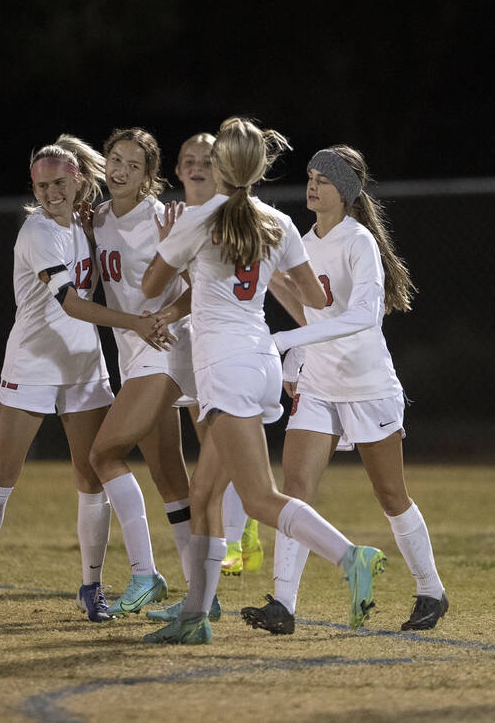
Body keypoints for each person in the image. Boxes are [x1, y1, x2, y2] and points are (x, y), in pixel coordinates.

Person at [139, 117, 387, 644]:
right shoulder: (276, 221)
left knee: (257, 499)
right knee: (205, 496)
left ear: (222, 166)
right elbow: (317, 300)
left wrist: (172, 244)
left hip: (224, 366)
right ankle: (194, 617)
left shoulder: (201, 219)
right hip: (260, 361)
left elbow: (149, 287)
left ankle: (351, 557)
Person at [0, 136, 171, 621]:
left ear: (78, 182)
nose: (50, 192)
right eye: (42, 185)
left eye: (59, 182)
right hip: (33, 363)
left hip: (84, 365)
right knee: (2, 475)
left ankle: (91, 587)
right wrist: (134, 322)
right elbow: (69, 302)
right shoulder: (37, 232)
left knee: (92, 477)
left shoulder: (88, 224)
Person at [242, 146, 447, 636]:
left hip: (366, 385)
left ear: (347, 191)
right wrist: (295, 359)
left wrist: (290, 340)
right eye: (310, 177)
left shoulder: (360, 242)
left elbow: (362, 318)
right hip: (317, 385)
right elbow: (314, 316)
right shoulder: (302, 239)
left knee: (390, 494)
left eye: (324, 180)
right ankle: (283, 605)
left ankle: (431, 590)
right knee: (294, 492)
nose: (312, 186)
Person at [86, 128, 197, 617]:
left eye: (133, 164)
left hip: (167, 347)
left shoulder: (162, 220)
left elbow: (203, 287)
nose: (121, 170)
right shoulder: (98, 218)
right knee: (169, 477)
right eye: (115, 159)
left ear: (150, 176)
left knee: (104, 452)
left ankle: (144, 574)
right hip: (133, 352)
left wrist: (165, 316)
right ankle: (201, 592)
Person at [176, 132, 265, 579]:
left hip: (219, 346)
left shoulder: (224, 217)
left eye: (207, 160)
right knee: (211, 448)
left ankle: (237, 534)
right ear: (176, 170)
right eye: (188, 160)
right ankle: (233, 535)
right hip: (190, 344)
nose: (197, 167)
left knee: (218, 449)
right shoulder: (176, 216)